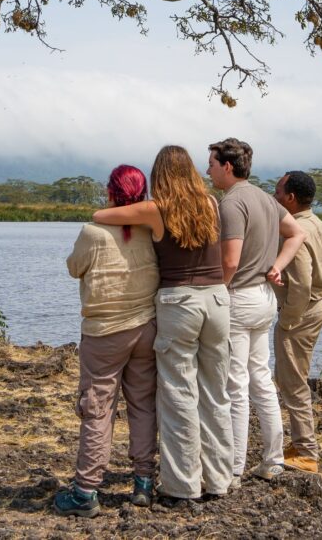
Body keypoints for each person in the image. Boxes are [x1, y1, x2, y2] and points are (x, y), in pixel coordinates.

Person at [92, 145, 234, 502]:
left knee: (178, 395)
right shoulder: (212, 205)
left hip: (180, 301)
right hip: (217, 299)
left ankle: (181, 485)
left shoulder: (157, 209)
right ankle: (219, 480)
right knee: (216, 393)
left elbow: (101, 216)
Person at [53, 165, 160, 518]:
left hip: (103, 333)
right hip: (145, 328)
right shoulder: (150, 229)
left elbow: (74, 268)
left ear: (111, 192)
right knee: (143, 404)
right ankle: (143, 482)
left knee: (98, 409)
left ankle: (86, 490)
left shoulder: (93, 232)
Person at [206, 138, 306, 483]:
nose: (208, 170)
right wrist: (277, 266)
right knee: (261, 379)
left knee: (235, 384)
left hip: (239, 299)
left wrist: (215, 291)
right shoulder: (265, 198)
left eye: (212, 164)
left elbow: (230, 261)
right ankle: (273, 459)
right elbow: (297, 233)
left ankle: (233, 468)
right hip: (264, 298)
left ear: (227, 167)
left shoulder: (231, 203)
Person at [272, 171, 322, 473]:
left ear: (291, 198)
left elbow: (302, 282)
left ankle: (306, 451)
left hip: (301, 311)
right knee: (294, 376)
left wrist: (288, 320)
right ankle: (299, 443)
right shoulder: (316, 222)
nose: (274, 196)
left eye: (278, 191)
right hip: (315, 307)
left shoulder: (296, 230)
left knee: (292, 380)